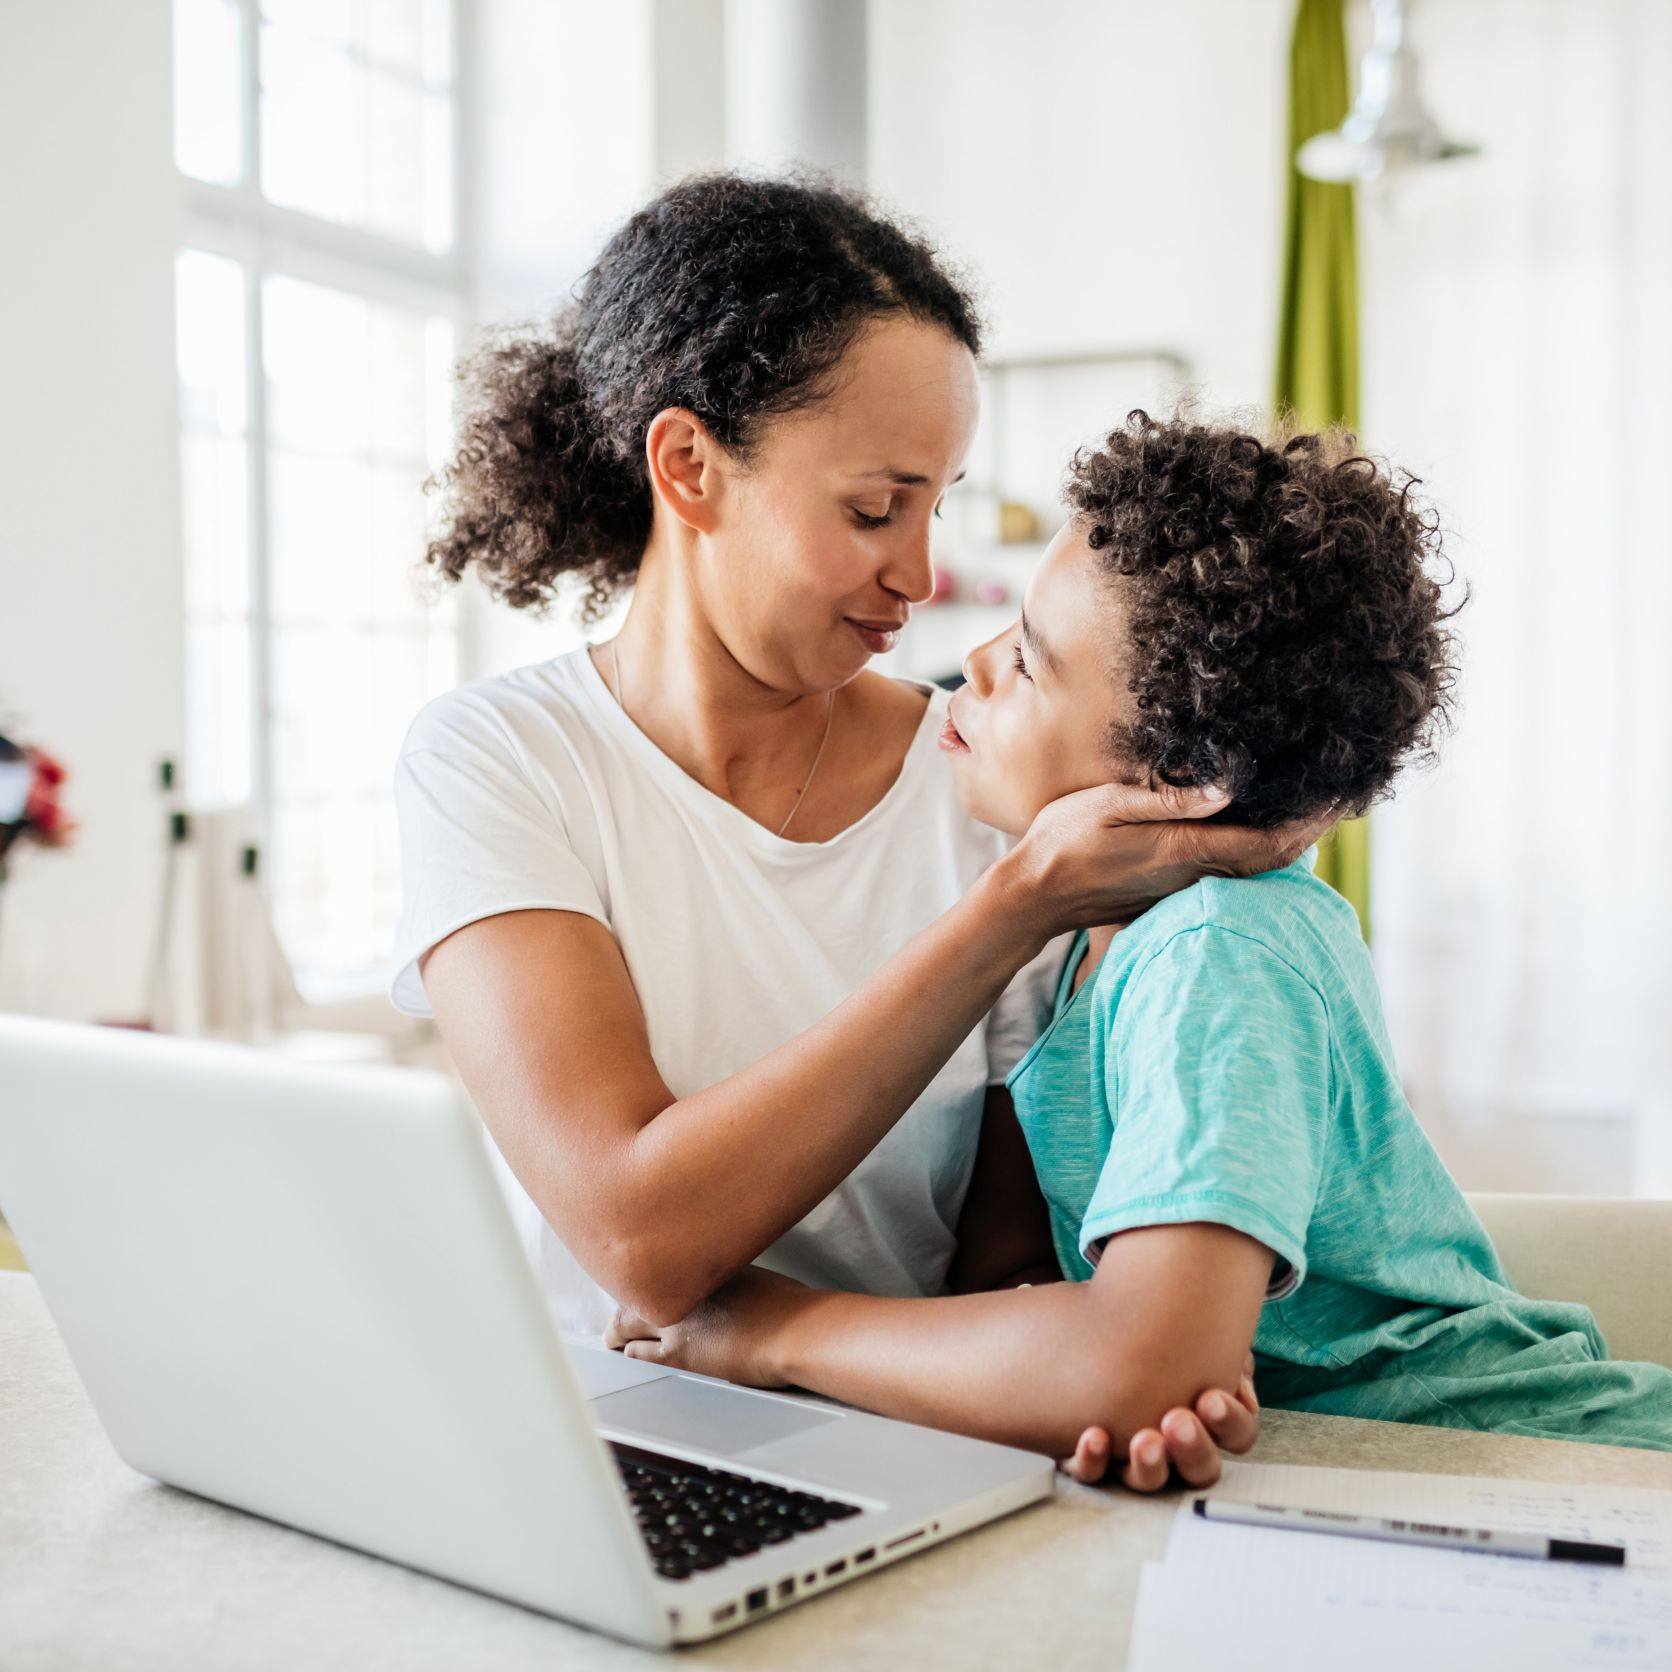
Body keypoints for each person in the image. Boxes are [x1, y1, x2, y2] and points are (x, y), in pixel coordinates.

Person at [392, 177, 1319, 1489]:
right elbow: (640, 1243)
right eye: (877, 508)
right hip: (597, 1442)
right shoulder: (498, 761)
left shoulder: (992, 785)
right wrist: (1009, 910)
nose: (921, 577)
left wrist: (1097, 1391)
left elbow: (1009, 1261)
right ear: (688, 467)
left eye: (938, 506)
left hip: (904, 1447)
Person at [607, 413, 1672, 1456]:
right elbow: (1080, 1327)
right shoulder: (1099, 941)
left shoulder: (1218, 952)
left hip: (1547, 1475)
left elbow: (1140, 1364)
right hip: (1346, 1475)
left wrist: (777, 1330)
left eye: (1029, 662)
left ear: (1182, 777)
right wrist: (1103, 1375)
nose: (973, 659)